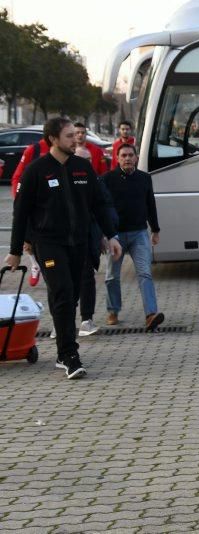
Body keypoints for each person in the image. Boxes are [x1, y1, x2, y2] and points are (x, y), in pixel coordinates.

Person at [5, 117, 122, 379]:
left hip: (78, 243)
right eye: (69, 136)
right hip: (48, 243)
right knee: (63, 293)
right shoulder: (36, 171)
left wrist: (111, 235)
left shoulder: (82, 167)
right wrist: (15, 250)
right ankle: (70, 355)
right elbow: (20, 213)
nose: (76, 139)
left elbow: (100, 204)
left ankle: (62, 351)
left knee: (71, 296)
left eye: (75, 135)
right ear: (53, 140)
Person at [102, 143, 164, 331]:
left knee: (145, 273)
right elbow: (102, 208)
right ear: (117, 158)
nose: (127, 158)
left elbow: (150, 203)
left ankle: (151, 314)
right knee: (112, 276)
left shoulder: (145, 178)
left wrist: (155, 229)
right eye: (123, 155)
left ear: (136, 158)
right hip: (116, 235)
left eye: (130, 155)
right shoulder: (107, 179)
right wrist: (104, 234)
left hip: (139, 234)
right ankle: (113, 310)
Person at [73, 122, 114, 336]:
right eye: (83, 161)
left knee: (87, 278)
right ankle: (61, 321)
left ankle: (86, 320)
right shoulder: (62, 181)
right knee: (66, 283)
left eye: (90, 161)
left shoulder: (96, 183)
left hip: (88, 239)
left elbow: (104, 209)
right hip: (65, 241)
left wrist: (107, 236)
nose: (88, 164)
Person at [10, 135, 50, 287]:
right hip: (30, 204)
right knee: (27, 241)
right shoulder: (34, 150)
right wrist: (19, 198)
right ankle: (35, 265)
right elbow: (17, 177)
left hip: (49, 206)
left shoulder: (63, 152)